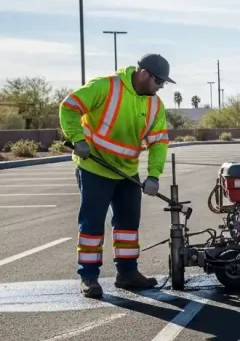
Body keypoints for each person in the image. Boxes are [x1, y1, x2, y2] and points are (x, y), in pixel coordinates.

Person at [59, 54, 173, 297]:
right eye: (159, 82)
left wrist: (153, 176)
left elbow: (159, 142)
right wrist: (77, 139)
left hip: (127, 171)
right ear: (144, 74)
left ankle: (127, 273)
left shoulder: (155, 105)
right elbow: (69, 107)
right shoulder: (105, 86)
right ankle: (89, 277)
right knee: (91, 223)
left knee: (128, 226)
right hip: (94, 168)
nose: (160, 87)